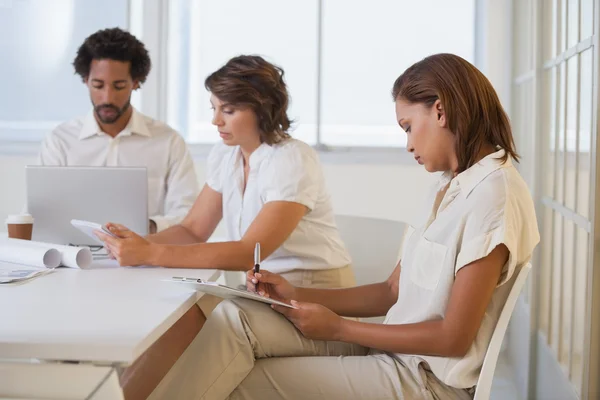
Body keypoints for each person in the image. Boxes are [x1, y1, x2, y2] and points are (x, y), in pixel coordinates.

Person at [147, 53, 541, 400]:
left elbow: (453, 337)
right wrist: (294, 293)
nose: (407, 144)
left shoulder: (494, 195)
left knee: (235, 380)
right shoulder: (448, 187)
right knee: (232, 322)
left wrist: (340, 328)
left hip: (427, 381)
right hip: (395, 355)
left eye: (407, 126)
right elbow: (391, 292)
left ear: (440, 110)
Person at [99, 55, 355, 399]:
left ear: (262, 109)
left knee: (215, 322)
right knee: (179, 315)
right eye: (214, 108)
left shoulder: (291, 159)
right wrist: (136, 244)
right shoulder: (227, 155)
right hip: (263, 293)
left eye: (229, 110)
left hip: (311, 298)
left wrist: (151, 252)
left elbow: (250, 251)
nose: (216, 120)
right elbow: (192, 230)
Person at [39, 27, 198, 233]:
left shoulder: (168, 141)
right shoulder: (60, 141)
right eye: (98, 85)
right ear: (85, 80)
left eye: (119, 86)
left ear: (136, 83)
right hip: (74, 257)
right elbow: (42, 213)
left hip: (147, 257)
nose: (107, 98)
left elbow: (188, 214)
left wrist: (147, 226)